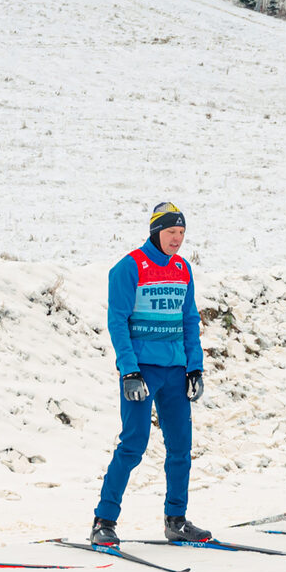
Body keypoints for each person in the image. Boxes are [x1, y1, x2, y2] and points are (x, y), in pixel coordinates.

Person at [89, 202, 210, 546]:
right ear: (156, 231)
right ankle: (104, 521)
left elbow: (189, 321)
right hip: (142, 371)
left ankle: (176, 519)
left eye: (182, 233)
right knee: (133, 445)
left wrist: (194, 367)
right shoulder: (128, 268)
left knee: (180, 448)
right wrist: (129, 371)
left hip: (175, 371)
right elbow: (117, 321)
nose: (177, 239)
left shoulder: (183, 268)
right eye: (172, 232)